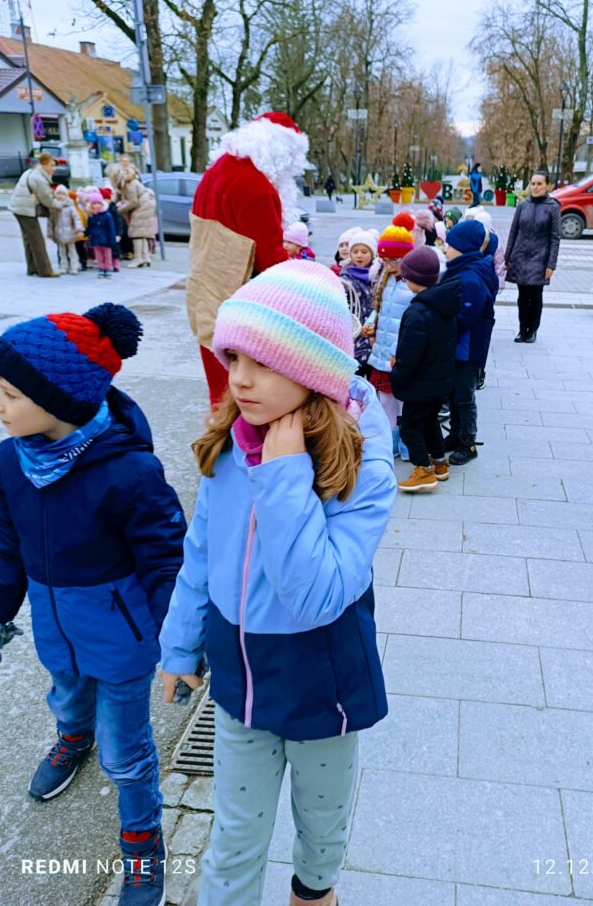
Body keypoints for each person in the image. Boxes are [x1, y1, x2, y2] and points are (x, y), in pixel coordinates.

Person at [159, 260, 397, 906]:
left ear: (312, 370)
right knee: (234, 832)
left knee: (320, 825)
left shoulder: (364, 464)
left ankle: (315, 894)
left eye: (261, 362)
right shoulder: (230, 444)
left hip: (322, 676)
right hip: (240, 669)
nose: (239, 379)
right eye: (233, 357)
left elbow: (317, 596)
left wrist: (287, 472)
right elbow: (201, 553)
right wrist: (180, 646)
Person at [0, 303, 186, 906]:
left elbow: (165, 562)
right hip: (56, 625)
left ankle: (143, 841)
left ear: (62, 403)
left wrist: (179, 644)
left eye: (11, 394)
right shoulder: (13, 462)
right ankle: (74, 736)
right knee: (66, 691)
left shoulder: (129, 473)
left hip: (122, 640)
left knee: (127, 751)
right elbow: (10, 539)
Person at [187, 113, 309, 407]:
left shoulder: (216, 170)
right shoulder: (256, 186)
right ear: (281, 151)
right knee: (240, 398)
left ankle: (219, 447)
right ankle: (238, 450)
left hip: (204, 294)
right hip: (237, 304)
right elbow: (272, 263)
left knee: (219, 395)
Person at [392, 247, 459, 492]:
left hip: (420, 383)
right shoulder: (443, 305)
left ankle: (423, 470)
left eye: (405, 277)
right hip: (439, 380)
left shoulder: (417, 312)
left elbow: (410, 355)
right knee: (430, 421)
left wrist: (397, 373)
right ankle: (440, 463)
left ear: (414, 279)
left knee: (410, 427)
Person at [439, 218, 499, 464]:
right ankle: (455, 434)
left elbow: (466, 315)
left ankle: (468, 442)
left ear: (463, 248)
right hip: (457, 346)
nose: (445, 249)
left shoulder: (471, 277)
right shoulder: (462, 270)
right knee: (453, 393)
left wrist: (439, 322)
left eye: (449, 245)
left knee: (464, 396)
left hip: (468, 348)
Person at [364, 224, 415, 455]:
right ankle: (390, 441)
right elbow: (380, 306)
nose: (388, 265)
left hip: (401, 352)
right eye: (385, 261)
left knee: (405, 400)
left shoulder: (413, 281)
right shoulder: (385, 277)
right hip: (383, 350)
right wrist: (371, 320)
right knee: (386, 400)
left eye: (393, 261)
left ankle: (407, 440)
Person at [504, 170, 561, 343]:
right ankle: (522, 329)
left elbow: (555, 238)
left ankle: (533, 330)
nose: (535, 187)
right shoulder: (523, 205)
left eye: (539, 184)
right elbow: (514, 231)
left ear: (547, 186)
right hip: (521, 257)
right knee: (522, 296)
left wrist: (551, 264)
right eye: (533, 184)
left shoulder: (552, 207)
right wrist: (507, 258)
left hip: (540, 259)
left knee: (535, 296)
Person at [8, 151, 60, 277]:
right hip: (25, 210)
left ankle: (32, 268)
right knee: (37, 241)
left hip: (19, 208)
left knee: (29, 239)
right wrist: (62, 205)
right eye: (52, 165)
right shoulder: (39, 178)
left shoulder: (32, 172)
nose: (54, 168)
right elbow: (47, 199)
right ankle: (45, 271)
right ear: (44, 164)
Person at [340, 229, 378, 375]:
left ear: (372, 254)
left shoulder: (378, 276)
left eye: (364, 251)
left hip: (373, 334)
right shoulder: (345, 276)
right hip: (353, 333)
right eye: (355, 251)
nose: (359, 255)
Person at [48, 185, 84, 274]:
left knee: (72, 251)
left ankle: (74, 266)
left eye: (63, 194)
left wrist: (79, 229)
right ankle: (64, 266)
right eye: (58, 194)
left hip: (70, 233)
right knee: (62, 252)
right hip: (59, 233)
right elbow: (50, 222)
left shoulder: (70, 207)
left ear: (66, 196)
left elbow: (77, 219)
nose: (60, 196)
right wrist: (50, 232)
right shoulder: (54, 208)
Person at [123, 184, 158, 268]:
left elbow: (133, 202)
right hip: (147, 214)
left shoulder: (133, 187)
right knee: (143, 236)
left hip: (140, 214)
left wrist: (120, 209)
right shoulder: (147, 193)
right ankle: (145, 257)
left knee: (137, 236)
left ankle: (138, 258)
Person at [87, 194, 118, 279]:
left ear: (102, 204)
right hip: (96, 240)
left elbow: (111, 228)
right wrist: (87, 235)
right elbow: (89, 227)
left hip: (106, 240)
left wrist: (112, 239)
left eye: (98, 203)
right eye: (94, 203)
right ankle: (101, 268)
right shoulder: (92, 216)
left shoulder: (107, 215)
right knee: (98, 256)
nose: (96, 205)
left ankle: (107, 269)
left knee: (107, 255)